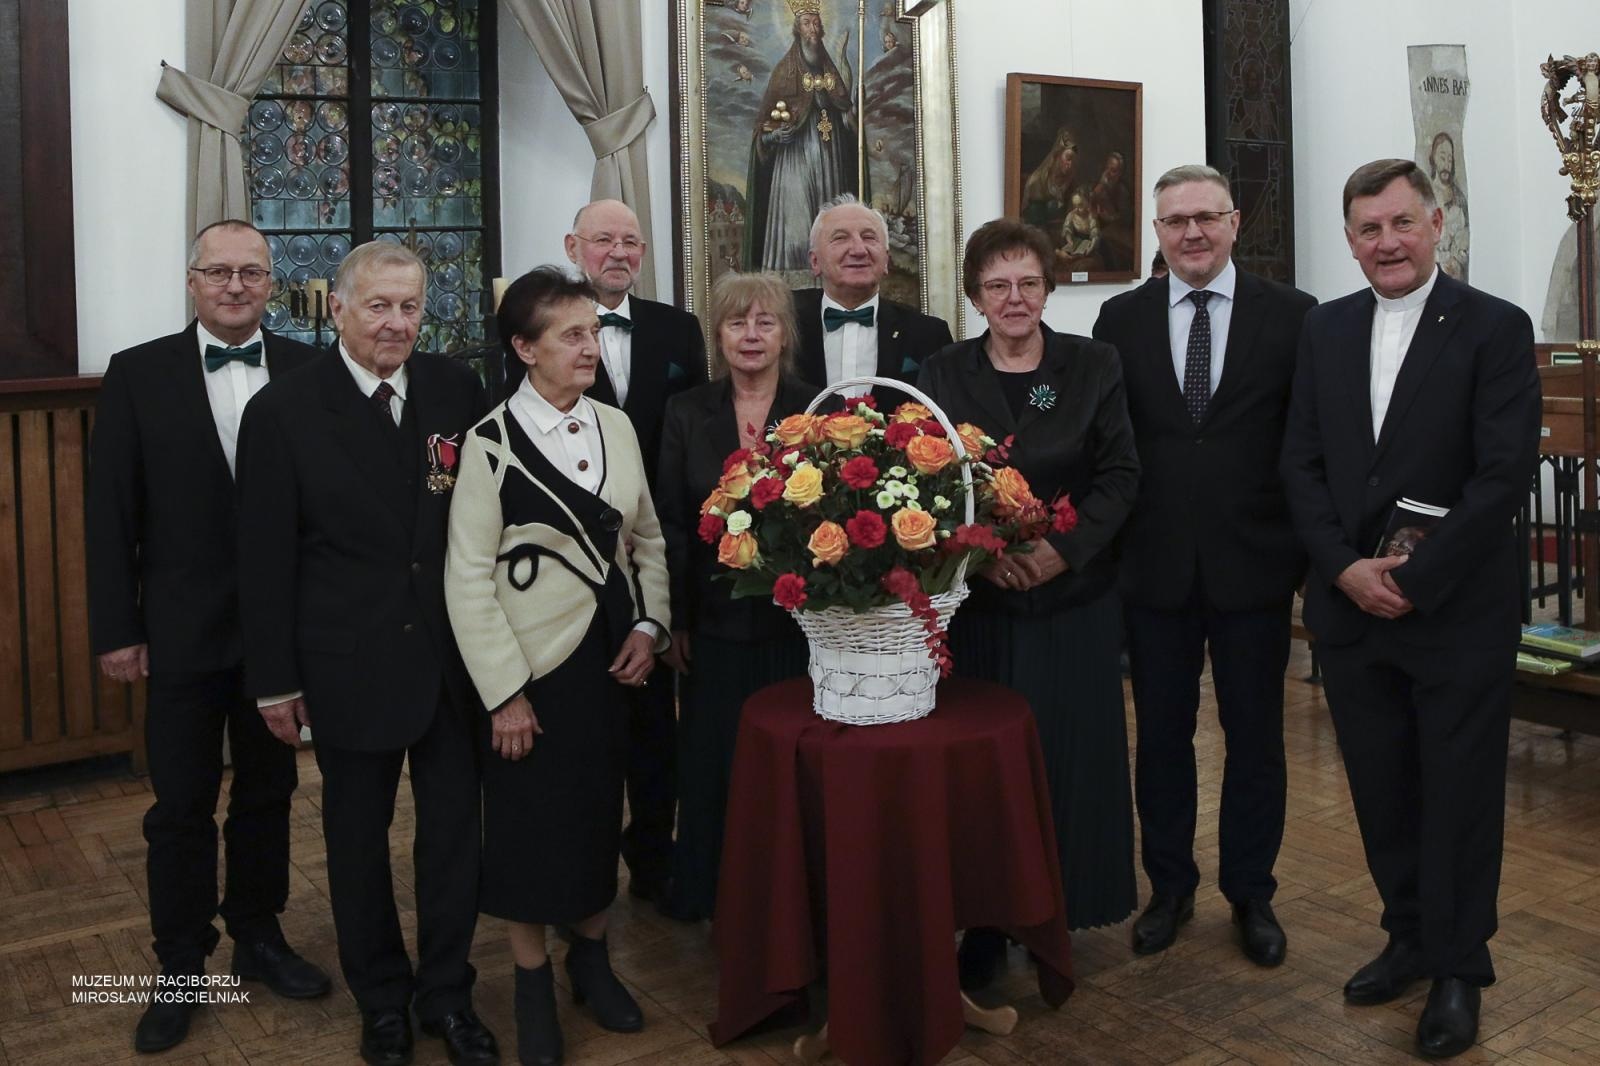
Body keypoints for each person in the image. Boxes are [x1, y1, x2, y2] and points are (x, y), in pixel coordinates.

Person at [1280, 159, 1541, 1059]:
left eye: (1401, 223)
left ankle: (1461, 969)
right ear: (1348, 239)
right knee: (1381, 786)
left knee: (1460, 794)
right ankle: (1409, 936)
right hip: (1352, 609)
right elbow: (1300, 463)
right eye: (1367, 229)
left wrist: (1412, 580)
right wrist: (1346, 569)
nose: (1386, 242)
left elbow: (1502, 475)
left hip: (1456, 612)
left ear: (1436, 225)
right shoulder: (1326, 327)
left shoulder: (1496, 328)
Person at [236, 241, 498, 1066]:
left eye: (410, 307)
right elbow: (265, 559)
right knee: (356, 842)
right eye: (379, 306)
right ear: (338, 309)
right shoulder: (282, 411)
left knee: (455, 838)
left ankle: (448, 996)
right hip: (346, 663)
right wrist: (274, 681)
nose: (396, 323)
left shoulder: (459, 389)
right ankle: (381, 999)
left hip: (454, 663)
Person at [85, 219, 330, 1054]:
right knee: (180, 807)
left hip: (280, 637)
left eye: (251, 273)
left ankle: (259, 936)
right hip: (181, 631)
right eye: (218, 272)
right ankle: (181, 964)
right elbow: (109, 514)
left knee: (269, 795)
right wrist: (118, 628)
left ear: (273, 283)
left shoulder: (309, 368)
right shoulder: (138, 373)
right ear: (192, 281)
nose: (235, 286)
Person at [445, 266, 671, 1066]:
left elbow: (647, 539)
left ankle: (593, 962)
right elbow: (465, 578)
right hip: (529, 674)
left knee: (593, 815)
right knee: (526, 830)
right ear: (524, 348)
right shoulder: (487, 444)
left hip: (611, 661)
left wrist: (651, 624)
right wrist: (505, 694)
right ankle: (533, 985)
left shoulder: (616, 425)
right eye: (572, 334)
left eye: (594, 332)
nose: (591, 346)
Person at [1092, 164, 1316, 967]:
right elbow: (1106, 445)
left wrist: (1299, 556)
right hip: (1153, 573)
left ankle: (1252, 893)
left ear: (1234, 221)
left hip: (1255, 570)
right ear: (1156, 233)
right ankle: (1171, 887)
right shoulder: (1118, 320)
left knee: (1256, 739)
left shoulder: (1293, 318)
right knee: (1161, 739)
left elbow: (1307, 445)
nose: (1191, 232)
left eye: (1206, 217)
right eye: (1174, 220)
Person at [917, 218, 1141, 986]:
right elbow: (930, 481)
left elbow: (1120, 477)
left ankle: (1060, 924)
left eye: (1028, 282)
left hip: (1073, 604)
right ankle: (984, 925)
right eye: (997, 285)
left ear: (1048, 287)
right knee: (981, 778)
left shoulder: (1093, 364)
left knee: (1067, 766)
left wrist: (1058, 553)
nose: (1014, 298)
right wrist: (988, 557)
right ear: (976, 296)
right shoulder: (943, 372)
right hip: (981, 612)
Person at [558, 197, 708, 912]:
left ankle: (653, 858)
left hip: (657, 549)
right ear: (573, 246)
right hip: (571, 558)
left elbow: (697, 438)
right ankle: (578, 873)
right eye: (603, 241)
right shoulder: (541, 322)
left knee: (656, 730)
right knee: (585, 730)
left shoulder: (678, 330)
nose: (618, 253)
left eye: (631, 242)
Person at [655, 272, 818, 921]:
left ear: (785, 335)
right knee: (712, 764)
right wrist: (677, 618)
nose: (751, 335)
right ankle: (715, 896)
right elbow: (668, 518)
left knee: (793, 767)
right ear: (716, 337)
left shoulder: (817, 410)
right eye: (736, 323)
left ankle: (793, 899)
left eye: (765, 322)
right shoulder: (687, 411)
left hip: (797, 629)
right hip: (712, 629)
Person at [792, 194, 953, 397]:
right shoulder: (783, 325)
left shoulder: (929, 334)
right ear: (815, 262)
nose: (859, 250)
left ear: (886, 260)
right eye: (840, 238)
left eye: (869, 237)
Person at [744, 0, 860, 272]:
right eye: (807, 22)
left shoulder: (830, 70)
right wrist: (774, 137)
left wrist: (849, 114)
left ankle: (832, 272)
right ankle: (792, 272)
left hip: (828, 158)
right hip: (794, 160)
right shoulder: (785, 71)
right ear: (797, 29)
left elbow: (844, 111)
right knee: (796, 221)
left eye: (817, 22)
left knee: (830, 219)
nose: (814, 28)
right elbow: (763, 127)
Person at [1427, 132, 1469, 280]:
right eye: (1442, 158)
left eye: (1450, 160)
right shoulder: (1426, 195)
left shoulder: (1459, 198)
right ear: (1433, 159)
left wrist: (1457, 260)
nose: (1446, 165)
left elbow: (1464, 239)